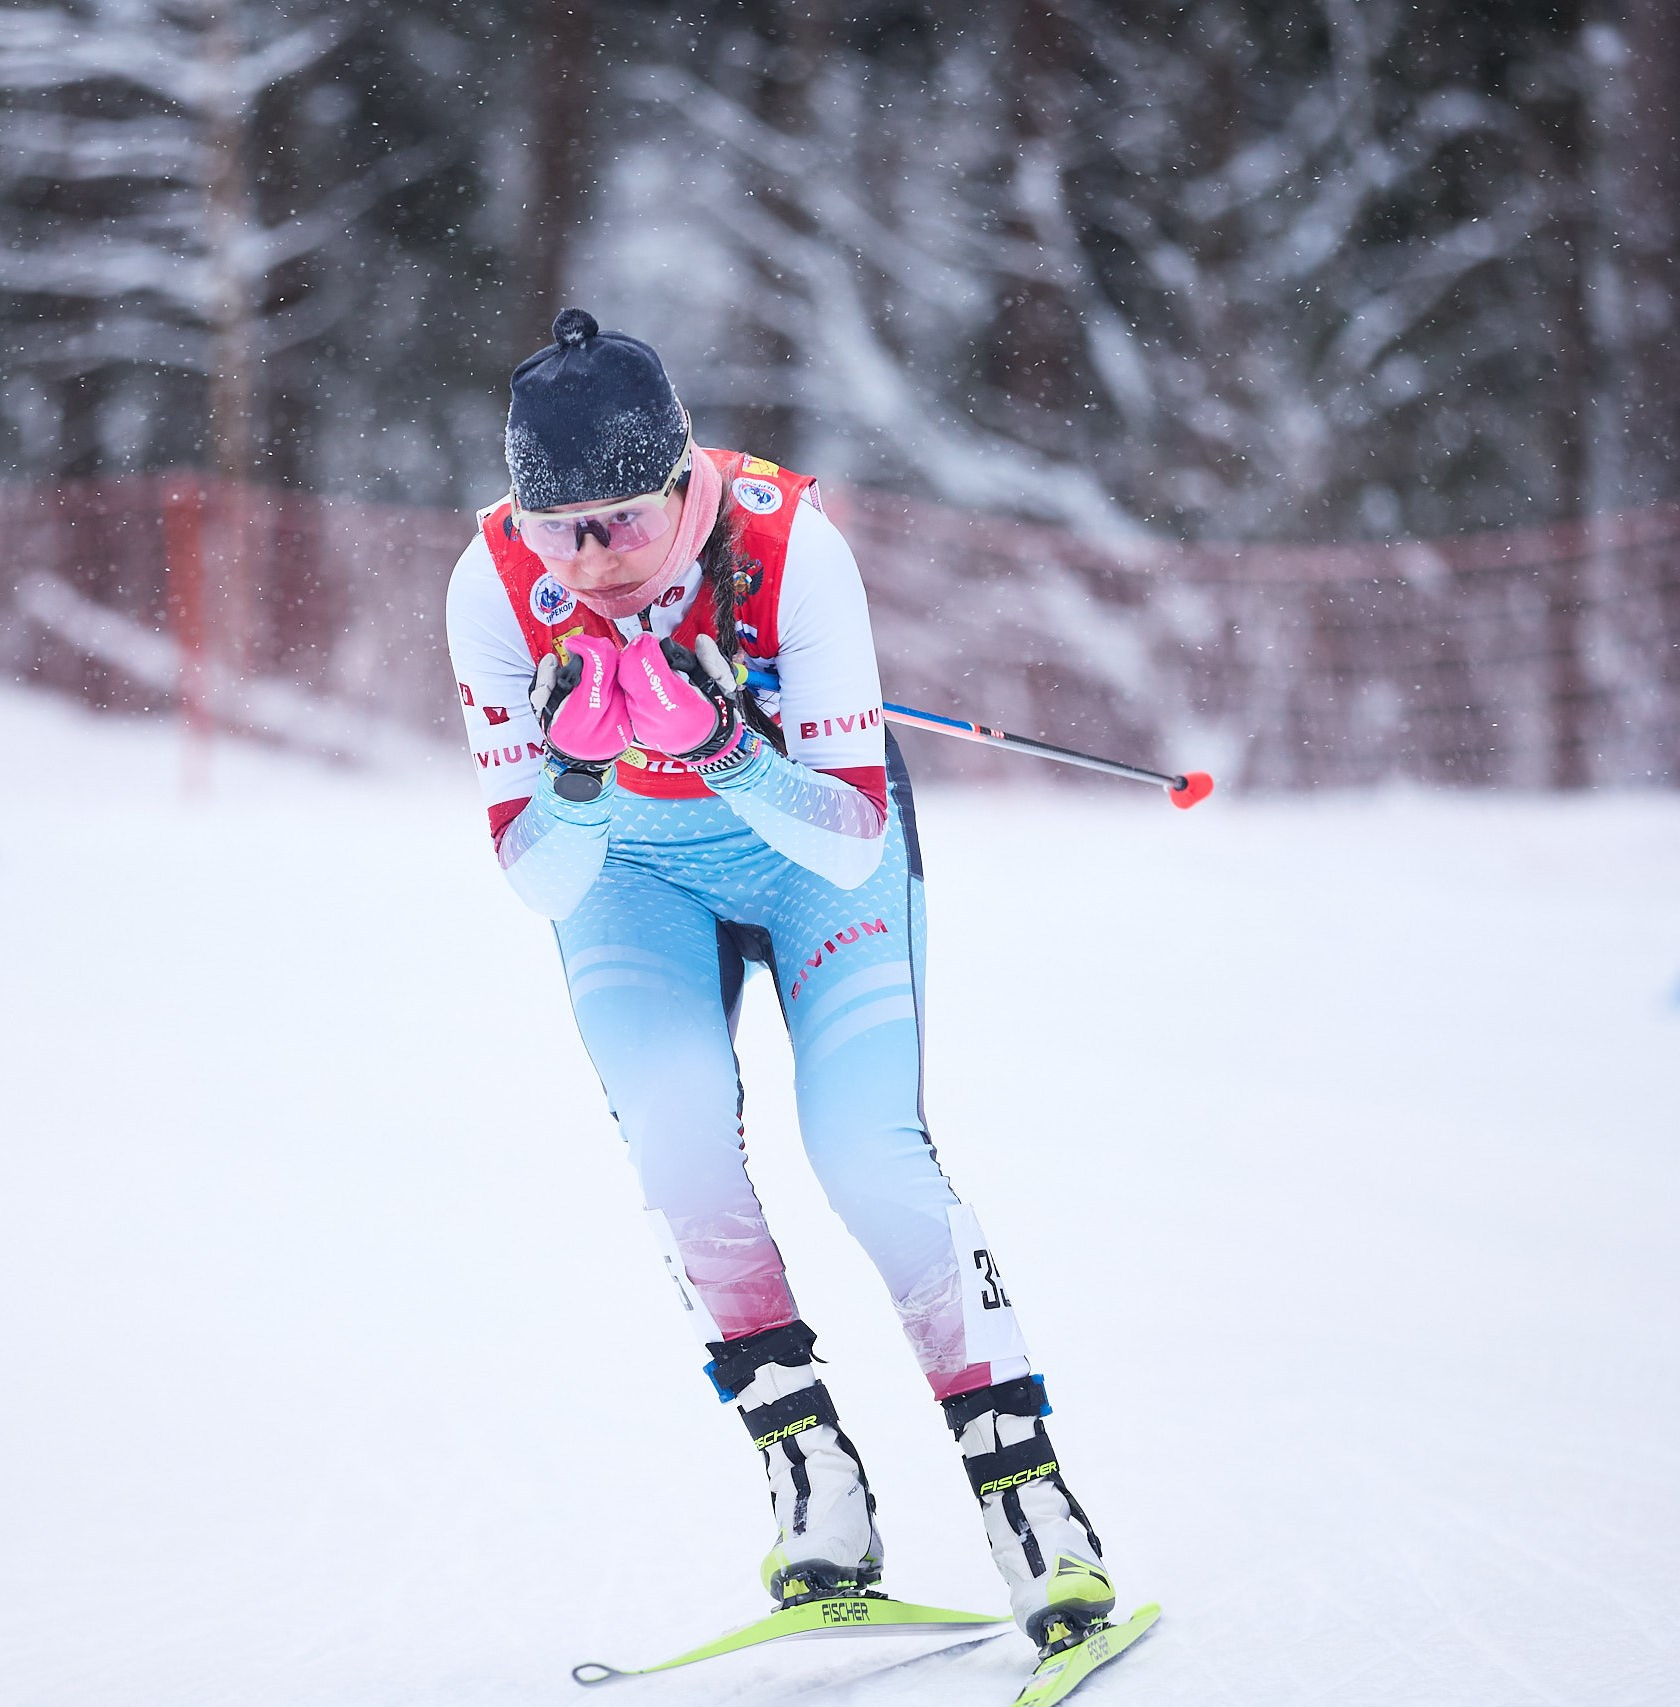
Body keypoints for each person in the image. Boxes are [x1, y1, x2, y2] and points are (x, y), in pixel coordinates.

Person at [444, 309, 1120, 1658]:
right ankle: (811, 1476)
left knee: (865, 1151)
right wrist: (576, 775)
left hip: (815, 861)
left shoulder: (785, 544)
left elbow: (851, 829)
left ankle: (1029, 1499)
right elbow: (543, 883)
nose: (598, 561)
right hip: (631, 876)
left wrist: (731, 754)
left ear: (687, 478)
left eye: (628, 521)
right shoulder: (492, 585)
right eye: (561, 529)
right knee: (682, 1147)